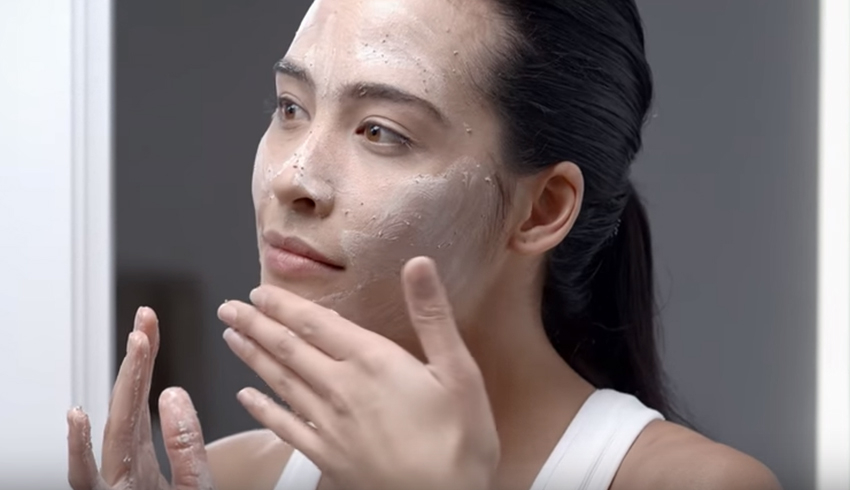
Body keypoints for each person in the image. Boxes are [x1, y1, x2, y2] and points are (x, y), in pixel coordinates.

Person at [66, 0, 783, 489]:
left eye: (381, 130)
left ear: (543, 209)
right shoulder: (239, 475)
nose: (292, 178)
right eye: (290, 108)